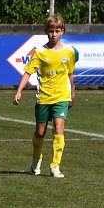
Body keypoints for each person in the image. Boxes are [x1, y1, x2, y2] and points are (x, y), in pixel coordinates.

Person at [13, 13, 77, 178]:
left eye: (57, 31)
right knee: (40, 132)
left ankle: (55, 166)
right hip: (43, 97)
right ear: (46, 32)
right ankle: (36, 159)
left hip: (61, 96)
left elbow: (70, 74)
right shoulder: (40, 52)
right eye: (51, 31)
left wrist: (73, 92)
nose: (54, 34)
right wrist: (19, 91)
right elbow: (28, 72)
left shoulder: (69, 52)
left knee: (58, 128)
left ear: (62, 31)